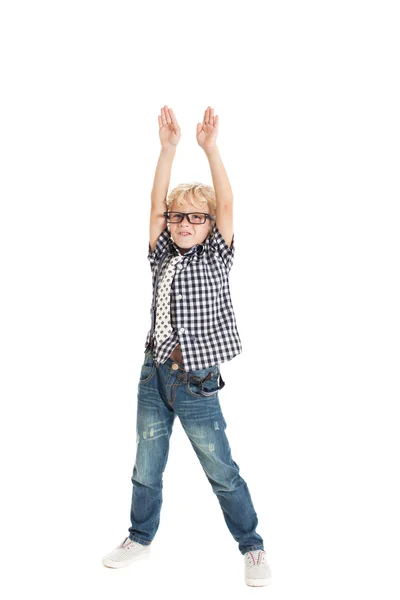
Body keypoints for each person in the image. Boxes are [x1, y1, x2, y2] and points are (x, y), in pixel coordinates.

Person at [102, 106, 272, 587]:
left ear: (208, 224)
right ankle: (139, 536)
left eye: (196, 219)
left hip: (196, 382)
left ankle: (252, 546)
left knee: (221, 468)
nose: (184, 225)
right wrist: (168, 150)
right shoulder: (161, 253)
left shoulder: (217, 253)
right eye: (179, 218)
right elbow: (155, 204)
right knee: (146, 465)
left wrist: (210, 149)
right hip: (153, 376)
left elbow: (229, 204)